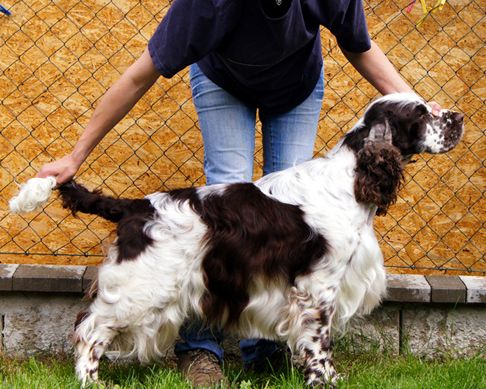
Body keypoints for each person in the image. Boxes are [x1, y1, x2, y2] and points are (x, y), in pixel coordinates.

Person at [38, 0, 441, 386]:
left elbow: (361, 46)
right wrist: (77, 155)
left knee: (292, 234)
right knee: (226, 207)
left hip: (295, 85)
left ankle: (268, 356)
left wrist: (419, 108)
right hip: (223, 79)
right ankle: (200, 350)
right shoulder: (207, 3)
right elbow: (137, 76)